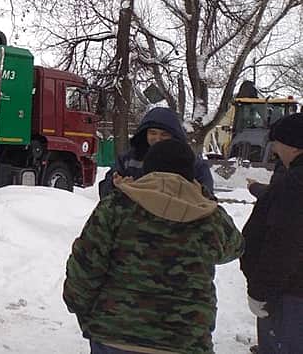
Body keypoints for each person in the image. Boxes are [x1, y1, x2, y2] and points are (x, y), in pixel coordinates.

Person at [64, 139, 243, 354]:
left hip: (115, 334)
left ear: (148, 167)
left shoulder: (117, 206)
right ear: (191, 174)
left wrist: (88, 315)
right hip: (185, 340)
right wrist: (204, 196)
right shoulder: (211, 216)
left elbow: (84, 268)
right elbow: (235, 248)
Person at [240, 112, 303, 354]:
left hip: (290, 296)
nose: (274, 149)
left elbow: (283, 245)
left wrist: (260, 291)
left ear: (293, 146)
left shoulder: (295, 185)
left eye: (276, 142)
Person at [98, 107, 214, 199]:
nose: (157, 138)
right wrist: (117, 185)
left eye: (164, 134)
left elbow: (206, 197)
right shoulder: (128, 160)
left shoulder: (191, 162)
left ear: (175, 136)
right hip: (134, 222)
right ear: (145, 134)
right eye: (153, 133)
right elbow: (105, 190)